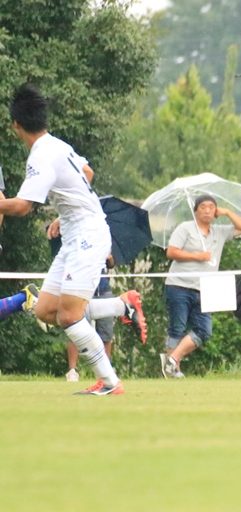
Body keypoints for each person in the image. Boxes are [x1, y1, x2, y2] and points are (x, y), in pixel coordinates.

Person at [1, 83, 146, 395]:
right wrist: (64, 214)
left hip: (87, 236)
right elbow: (87, 173)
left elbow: (23, 207)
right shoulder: (57, 145)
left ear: (15, 125)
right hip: (77, 234)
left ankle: (109, 382)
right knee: (45, 310)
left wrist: (69, 214)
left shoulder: (40, 156)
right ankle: (122, 305)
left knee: (68, 316)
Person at [161, 194, 241, 378]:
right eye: (203, 207)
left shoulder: (219, 232)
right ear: (196, 211)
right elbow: (171, 252)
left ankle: (173, 359)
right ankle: (172, 370)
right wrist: (197, 256)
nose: (207, 210)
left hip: (205, 287)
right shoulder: (185, 228)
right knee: (177, 328)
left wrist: (227, 212)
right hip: (179, 284)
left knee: (204, 330)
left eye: (211, 207)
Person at [65, 257, 116, 382]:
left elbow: (111, 264)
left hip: (103, 291)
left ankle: (106, 372)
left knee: (106, 333)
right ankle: (72, 371)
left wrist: (109, 258)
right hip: (82, 291)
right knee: (75, 330)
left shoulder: (104, 245)